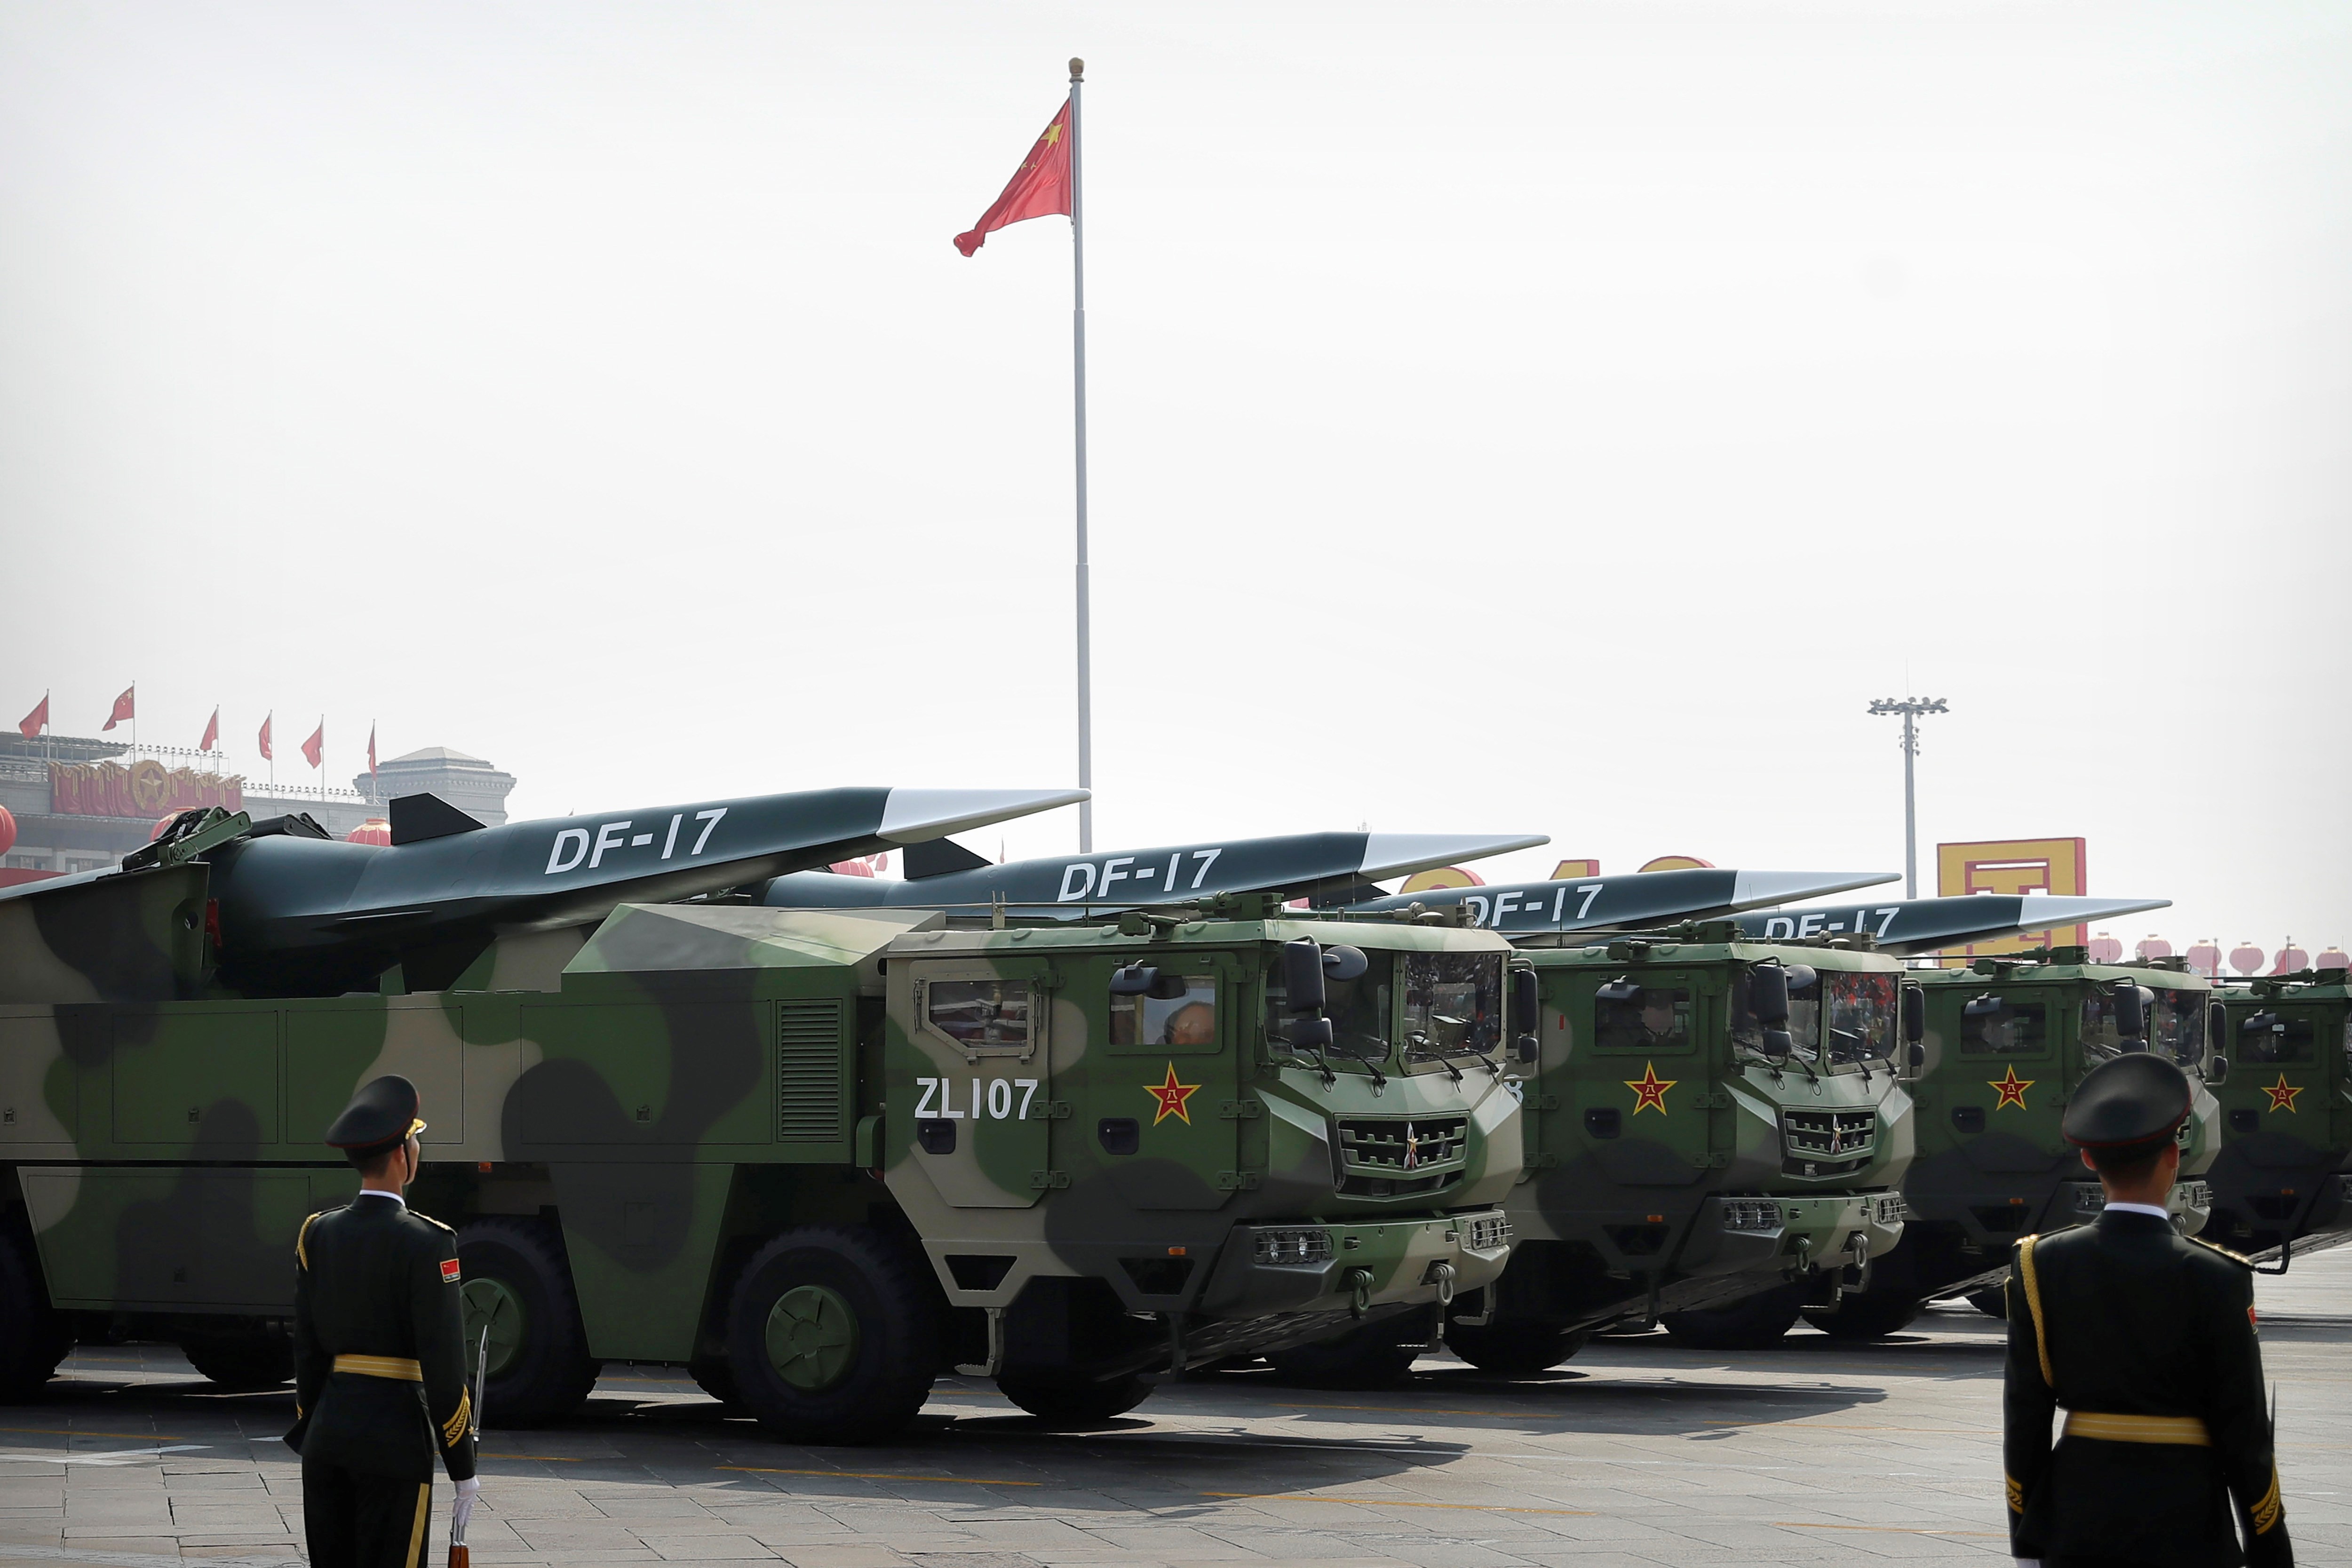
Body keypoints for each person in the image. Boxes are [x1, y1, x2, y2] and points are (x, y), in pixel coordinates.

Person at [2002, 1053, 2290, 1568]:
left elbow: (2024, 1417)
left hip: (2075, 1522)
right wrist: (2269, 1550)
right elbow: (2243, 1431)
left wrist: (2026, 1540)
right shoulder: (2217, 1275)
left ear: (2088, 1160)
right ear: (2173, 1158)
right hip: (2186, 1524)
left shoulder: (2038, 1264)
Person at [286, 1075, 481, 1568]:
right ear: (401, 1155)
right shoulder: (428, 1241)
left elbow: (308, 1351)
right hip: (394, 1441)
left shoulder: (319, 1232)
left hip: (328, 1436)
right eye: (414, 1139)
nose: (417, 1147)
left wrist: (313, 1425)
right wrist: (462, 1464)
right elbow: (444, 1363)